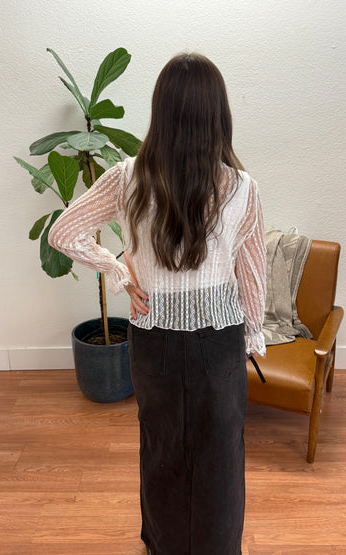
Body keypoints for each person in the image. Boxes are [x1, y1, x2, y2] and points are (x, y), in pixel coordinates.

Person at [48, 52, 266, 555]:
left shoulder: (128, 178)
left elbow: (64, 232)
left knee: (162, 450)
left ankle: (163, 545)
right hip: (220, 343)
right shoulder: (242, 188)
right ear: (219, 113)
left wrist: (119, 271)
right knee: (220, 460)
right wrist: (252, 331)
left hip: (153, 340)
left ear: (160, 110)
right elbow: (252, 269)